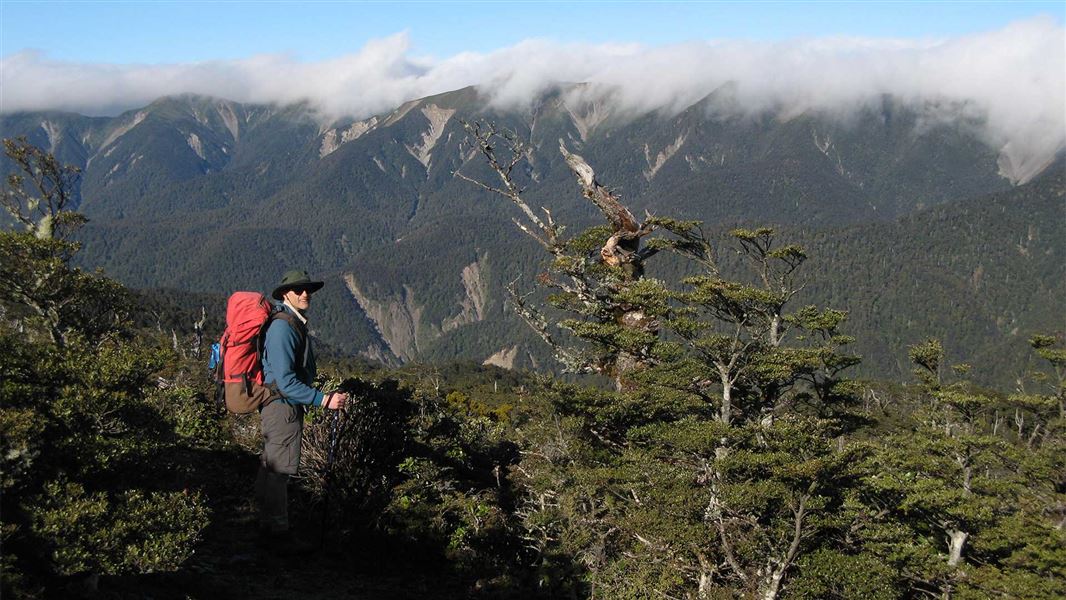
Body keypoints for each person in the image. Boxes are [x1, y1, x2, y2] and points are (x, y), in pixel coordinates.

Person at [254, 269, 347, 549]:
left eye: (307, 289)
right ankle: (277, 534)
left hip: (280, 406)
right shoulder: (284, 327)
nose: (305, 294)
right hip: (282, 407)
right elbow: (285, 381)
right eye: (298, 290)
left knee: (270, 465)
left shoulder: (290, 322)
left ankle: (263, 523)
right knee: (279, 471)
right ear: (285, 294)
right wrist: (323, 399)